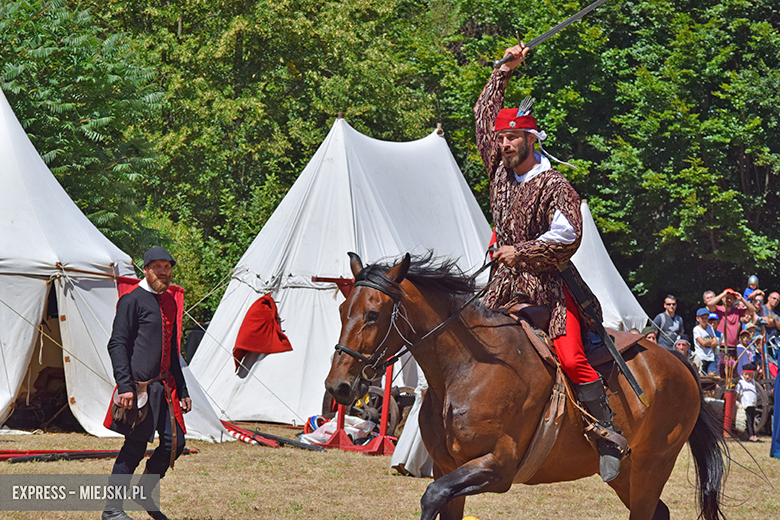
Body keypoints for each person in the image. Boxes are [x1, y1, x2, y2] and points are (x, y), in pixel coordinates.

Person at [474, 43, 625, 483]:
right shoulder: (499, 171)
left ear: (531, 139)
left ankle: (605, 434)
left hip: (550, 290)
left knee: (572, 358)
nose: (504, 144)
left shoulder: (555, 185)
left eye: (512, 138)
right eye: (501, 139)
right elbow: (484, 115)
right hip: (501, 287)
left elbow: (567, 235)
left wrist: (519, 252)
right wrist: (503, 69)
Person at [103, 247, 191, 520]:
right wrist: (125, 385)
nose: (163, 272)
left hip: (164, 389)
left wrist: (183, 390)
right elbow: (117, 344)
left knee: (175, 443)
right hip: (138, 389)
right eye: (157, 267)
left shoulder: (170, 301)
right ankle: (112, 510)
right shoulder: (131, 300)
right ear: (146, 269)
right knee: (135, 447)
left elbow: (172, 351)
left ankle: (143, 492)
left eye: (167, 267)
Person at [707, 288, 756, 378]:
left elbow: (752, 310)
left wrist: (741, 299)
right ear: (723, 298)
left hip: (733, 347)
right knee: (721, 371)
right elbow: (710, 304)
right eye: (727, 298)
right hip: (721, 347)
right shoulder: (718, 309)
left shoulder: (737, 310)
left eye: (731, 298)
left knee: (732, 373)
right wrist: (723, 294)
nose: (729, 300)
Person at [736, 363, 759, 442]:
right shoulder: (741, 382)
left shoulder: (752, 383)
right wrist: (735, 401)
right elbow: (736, 392)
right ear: (742, 374)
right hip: (746, 404)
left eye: (750, 375)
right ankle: (751, 435)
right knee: (749, 421)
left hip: (753, 404)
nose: (747, 377)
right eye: (745, 374)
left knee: (752, 420)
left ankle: (753, 434)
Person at [692, 308, 717, 376]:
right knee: (701, 376)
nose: (704, 320)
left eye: (706, 318)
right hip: (701, 357)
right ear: (698, 319)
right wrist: (710, 340)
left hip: (710, 357)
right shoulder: (696, 329)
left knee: (713, 375)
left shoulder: (710, 328)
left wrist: (706, 342)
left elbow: (716, 343)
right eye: (702, 318)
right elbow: (702, 343)